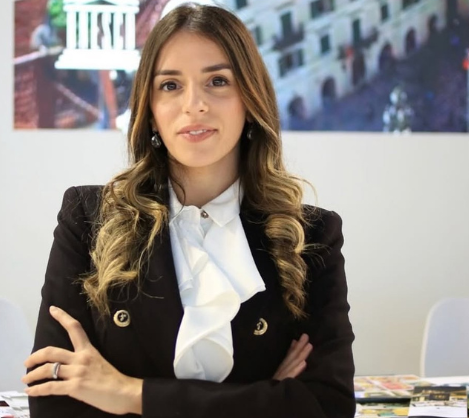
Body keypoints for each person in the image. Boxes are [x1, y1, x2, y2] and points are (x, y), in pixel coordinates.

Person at [22, 3, 356, 417]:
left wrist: (131, 394)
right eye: (170, 85)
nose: (194, 104)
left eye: (217, 81)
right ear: (150, 110)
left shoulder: (312, 235)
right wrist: (264, 397)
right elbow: (54, 404)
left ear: (250, 99)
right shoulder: (88, 218)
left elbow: (327, 407)